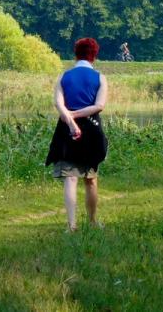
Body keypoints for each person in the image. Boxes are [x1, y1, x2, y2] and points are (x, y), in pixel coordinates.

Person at [46, 38, 108, 232]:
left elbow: (58, 103)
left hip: (66, 131)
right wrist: (77, 116)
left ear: (76, 54)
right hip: (92, 129)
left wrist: (70, 118)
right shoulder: (100, 78)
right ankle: (91, 221)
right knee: (90, 179)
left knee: (70, 179)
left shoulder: (64, 76)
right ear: (94, 56)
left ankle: (71, 225)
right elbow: (99, 106)